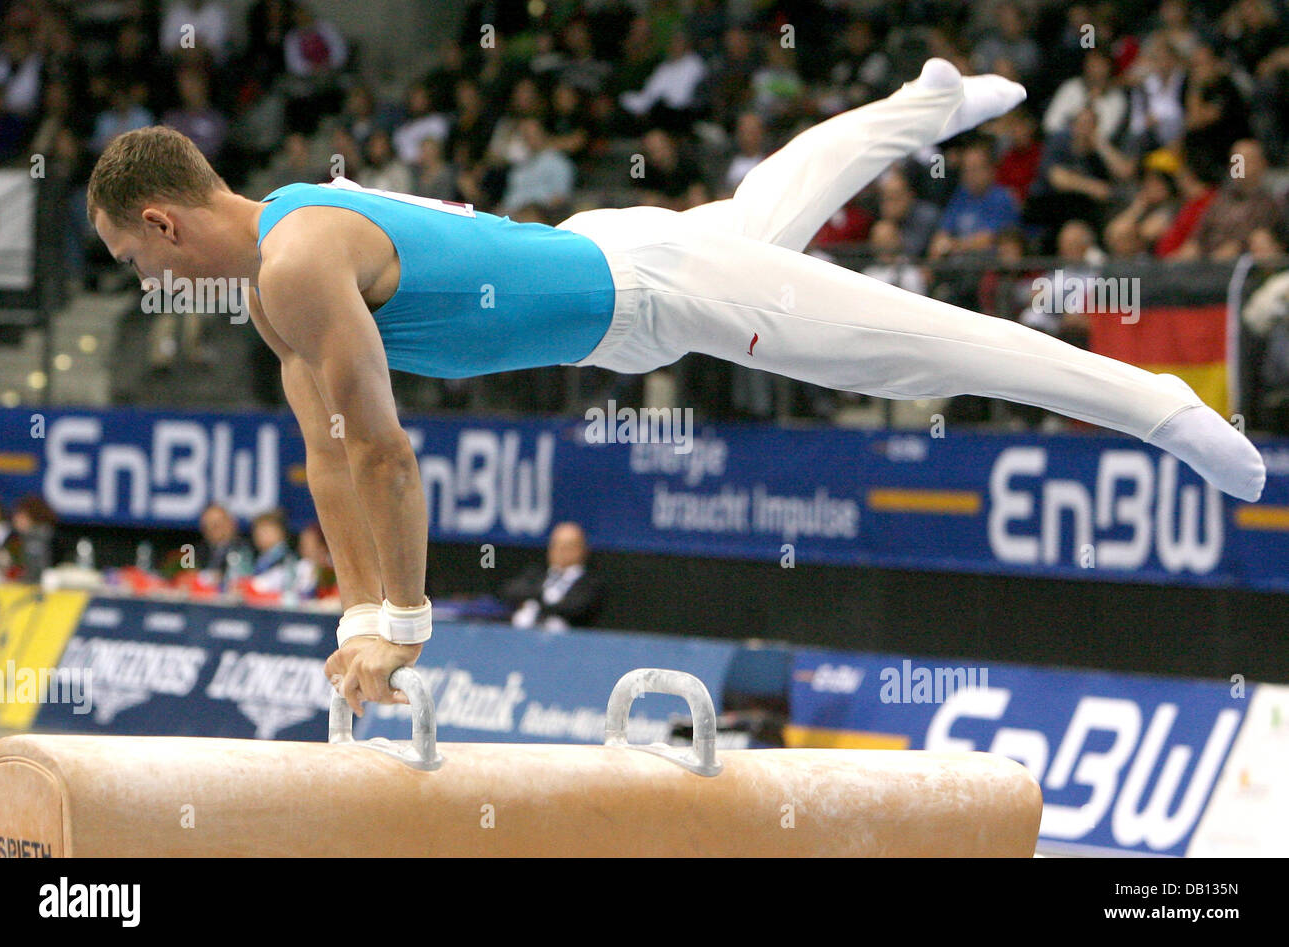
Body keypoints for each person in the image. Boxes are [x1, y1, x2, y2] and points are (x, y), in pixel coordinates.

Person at [85, 59, 1266, 715]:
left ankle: (1155, 398)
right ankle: (929, 100)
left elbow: (389, 453)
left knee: (917, 343)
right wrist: (356, 616)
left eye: (138, 261)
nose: (146, 282)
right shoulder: (274, 276)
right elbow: (330, 456)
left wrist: (405, 625)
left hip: (658, 287)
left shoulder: (296, 261)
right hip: (613, 267)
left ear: (161, 218)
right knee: (766, 211)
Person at [498, 522, 603, 630]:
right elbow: (510, 591)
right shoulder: (536, 574)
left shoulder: (590, 583)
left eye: (568, 547)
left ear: (582, 550)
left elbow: (576, 608)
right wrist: (543, 597)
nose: (560, 551)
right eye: (556, 545)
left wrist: (538, 603)